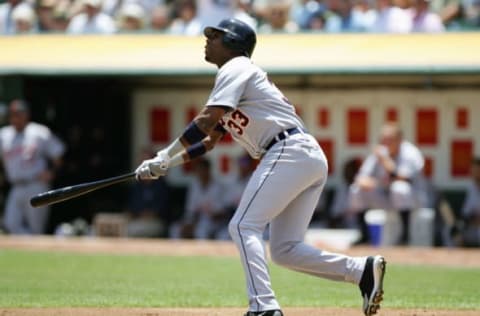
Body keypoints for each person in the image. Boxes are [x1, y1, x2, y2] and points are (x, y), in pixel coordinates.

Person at [135, 18, 386, 316]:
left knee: (242, 225)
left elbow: (204, 121)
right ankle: (360, 271)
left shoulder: (236, 67)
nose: (208, 39)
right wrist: (166, 164)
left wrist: (163, 154)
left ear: (233, 44)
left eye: (215, 36)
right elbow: (209, 141)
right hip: (302, 155)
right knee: (284, 249)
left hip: (287, 150)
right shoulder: (235, 76)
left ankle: (264, 308)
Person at [349, 122, 426, 245]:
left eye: (390, 140)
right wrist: (369, 182)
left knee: (399, 188)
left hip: (413, 199)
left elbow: (405, 178)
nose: (385, 143)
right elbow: (360, 177)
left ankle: (405, 237)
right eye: (383, 140)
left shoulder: (410, 153)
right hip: (386, 196)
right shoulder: (381, 152)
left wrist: (385, 161)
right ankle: (364, 235)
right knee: (356, 189)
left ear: (400, 140)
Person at [0, 99, 65, 234]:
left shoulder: (39, 132)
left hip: (36, 185)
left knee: (36, 229)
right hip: (16, 187)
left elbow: (58, 155)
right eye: (12, 114)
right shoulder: (4, 135)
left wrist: (52, 172)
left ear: (26, 114)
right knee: (10, 224)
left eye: (18, 113)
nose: (15, 117)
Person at [169, 157, 229, 240]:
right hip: (194, 219)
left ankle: (202, 252)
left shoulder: (218, 187)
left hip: (212, 221)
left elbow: (220, 213)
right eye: (198, 170)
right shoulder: (194, 186)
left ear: (208, 170)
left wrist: (198, 221)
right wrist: (190, 223)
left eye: (202, 170)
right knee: (175, 229)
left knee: (201, 230)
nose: (200, 173)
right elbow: (190, 210)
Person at [125, 147, 170, 238]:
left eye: (145, 162)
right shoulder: (137, 185)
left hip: (156, 222)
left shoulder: (161, 184)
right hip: (136, 220)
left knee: (131, 230)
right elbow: (131, 208)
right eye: (141, 162)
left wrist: (145, 214)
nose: (142, 165)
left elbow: (160, 211)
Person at [460, 157, 480, 247]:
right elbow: (465, 212)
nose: (474, 173)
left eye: (477, 170)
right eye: (473, 170)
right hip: (472, 226)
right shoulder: (471, 188)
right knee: (450, 231)